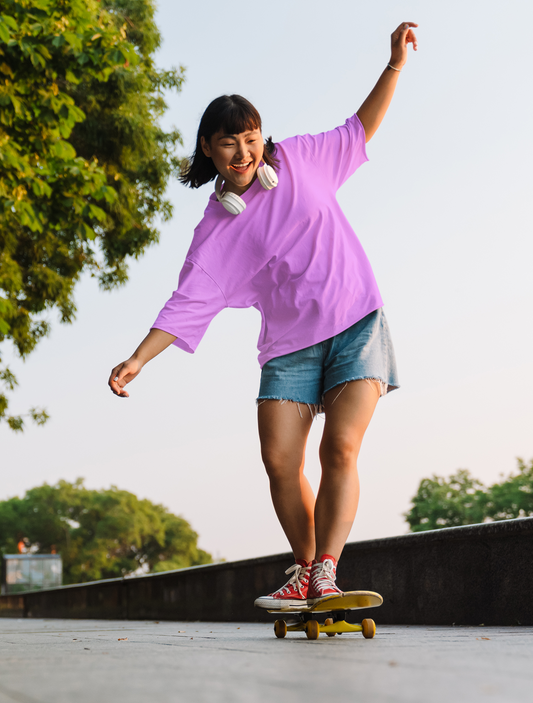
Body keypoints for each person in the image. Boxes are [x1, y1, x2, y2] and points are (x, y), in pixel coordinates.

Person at [109, 22, 418, 608]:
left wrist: (394, 64)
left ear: (261, 138)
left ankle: (326, 570)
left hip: (355, 320)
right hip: (290, 346)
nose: (245, 153)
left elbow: (361, 127)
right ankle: (304, 569)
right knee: (279, 460)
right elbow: (187, 301)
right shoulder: (216, 226)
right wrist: (137, 360)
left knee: (340, 449)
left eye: (251, 138)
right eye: (230, 143)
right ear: (209, 148)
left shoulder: (303, 158)